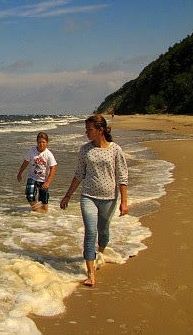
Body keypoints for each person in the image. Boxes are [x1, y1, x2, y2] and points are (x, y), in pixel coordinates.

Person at [60, 114, 129, 287]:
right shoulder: (85, 150)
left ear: (100, 130)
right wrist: (68, 195)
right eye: (86, 130)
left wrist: (124, 201)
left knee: (103, 230)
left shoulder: (115, 150)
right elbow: (79, 174)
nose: (86, 133)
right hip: (88, 196)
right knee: (90, 231)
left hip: (109, 198)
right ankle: (90, 273)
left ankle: (101, 252)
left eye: (89, 130)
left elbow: (122, 176)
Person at [17, 132, 57, 213]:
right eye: (39, 142)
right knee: (29, 195)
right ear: (36, 142)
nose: (41, 144)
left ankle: (43, 215)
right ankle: (37, 210)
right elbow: (26, 162)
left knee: (44, 201)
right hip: (32, 177)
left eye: (43, 142)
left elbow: (53, 168)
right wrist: (20, 173)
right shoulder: (32, 151)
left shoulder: (49, 154)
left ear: (47, 143)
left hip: (43, 180)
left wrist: (48, 182)